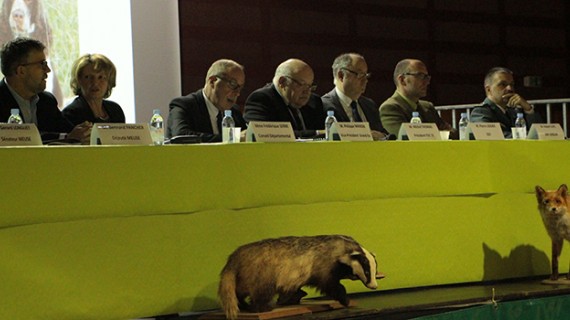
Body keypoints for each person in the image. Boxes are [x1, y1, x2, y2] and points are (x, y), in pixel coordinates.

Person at [0, 37, 90, 142]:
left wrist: (83, 132)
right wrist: (66, 137)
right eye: (42, 64)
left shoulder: (47, 101)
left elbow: (69, 133)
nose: (48, 70)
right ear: (21, 71)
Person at [166, 59, 247, 142]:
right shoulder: (184, 105)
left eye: (240, 88)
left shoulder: (234, 113)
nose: (237, 93)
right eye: (232, 84)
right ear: (212, 81)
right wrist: (232, 138)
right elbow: (181, 136)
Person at [244, 58, 325, 138]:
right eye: (301, 84)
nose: (307, 92)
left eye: (310, 86)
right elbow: (267, 134)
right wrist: (316, 133)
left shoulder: (314, 101)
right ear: (282, 82)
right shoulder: (261, 99)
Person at [379, 58, 457, 139]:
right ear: (402, 80)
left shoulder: (428, 106)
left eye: (426, 77)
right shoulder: (389, 108)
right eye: (420, 76)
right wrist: (438, 134)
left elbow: (454, 133)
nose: (426, 82)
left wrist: (427, 134)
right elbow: (405, 138)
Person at [321, 53, 389, 140]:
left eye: (366, 75)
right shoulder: (324, 105)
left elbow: (384, 134)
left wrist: (381, 136)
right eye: (360, 74)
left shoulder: (369, 105)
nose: (365, 81)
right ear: (341, 75)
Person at [470, 67, 542, 138]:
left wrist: (528, 109)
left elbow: (539, 133)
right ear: (489, 90)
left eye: (512, 84)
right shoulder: (480, 112)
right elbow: (495, 137)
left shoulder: (514, 111)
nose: (510, 88)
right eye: (503, 84)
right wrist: (526, 136)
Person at [62, 53, 125, 125]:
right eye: (88, 77)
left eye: (100, 77)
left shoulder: (115, 110)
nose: (95, 83)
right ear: (79, 81)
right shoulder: (71, 114)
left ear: (109, 81)